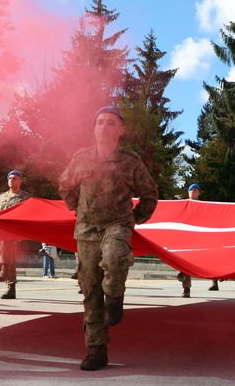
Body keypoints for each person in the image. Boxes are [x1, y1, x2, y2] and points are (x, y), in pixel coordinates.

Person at [58, 105, 158, 371]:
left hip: (118, 224)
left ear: (121, 130)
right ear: (94, 128)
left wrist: (134, 219)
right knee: (90, 290)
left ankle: (115, 296)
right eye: (100, 122)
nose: (104, 127)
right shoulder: (80, 159)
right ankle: (96, 349)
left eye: (111, 123)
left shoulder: (130, 161)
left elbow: (149, 193)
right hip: (87, 230)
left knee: (114, 258)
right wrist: (78, 209)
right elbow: (66, 186)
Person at [0, 169, 31, 299]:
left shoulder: (26, 197)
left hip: (17, 232)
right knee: (11, 259)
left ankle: (4, 271)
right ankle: (11, 287)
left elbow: (29, 216)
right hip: (2, 231)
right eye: (10, 178)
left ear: (20, 181)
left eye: (15, 178)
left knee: (9, 256)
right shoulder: (2, 197)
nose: (12, 180)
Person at [177, 183, 199, 298]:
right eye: (191, 190)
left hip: (199, 239)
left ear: (199, 193)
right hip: (185, 239)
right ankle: (186, 289)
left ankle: (214, 280)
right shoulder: (183, 205)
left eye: (195, 190)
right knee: (184, 264)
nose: (193, 192)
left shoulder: (204, 206)